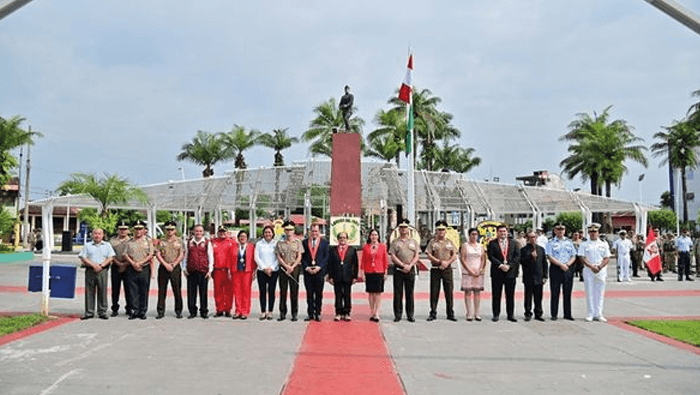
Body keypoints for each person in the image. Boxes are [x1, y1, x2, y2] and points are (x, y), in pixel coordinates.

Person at [78, 228, 115, 320]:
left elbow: (110, 257)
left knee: (102, 290)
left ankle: (102, 312)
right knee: (89, 291)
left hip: (102, 270)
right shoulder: (87, 245)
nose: (97, 235)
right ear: (92, 235)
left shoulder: (107, 245)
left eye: (99, 234)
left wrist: (101, 266)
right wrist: (94, 265)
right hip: (90, 270)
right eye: (95, 234)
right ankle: (89, 312)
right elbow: (83, 257)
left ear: (103, 235)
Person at [578, 222, 611, 322]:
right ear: (588, 233)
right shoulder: (584, 244)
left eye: (595, 232)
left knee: (600, 292)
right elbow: (582, 257)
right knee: (590, 292)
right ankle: (590, 313)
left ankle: (599, 313)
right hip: (589, 269)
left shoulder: (604, 244)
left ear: (598, 232)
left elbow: (607, 258)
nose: (593, 234)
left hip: (600, 270)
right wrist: (591, 266)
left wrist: (600, 267)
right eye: (591, 232)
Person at [425, 220, 458, 322]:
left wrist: (447, 262)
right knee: (434, 291)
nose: (441, 232)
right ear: (436, 231)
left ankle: (450, 312)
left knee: (449, 291)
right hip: (436, 269)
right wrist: (439, 262)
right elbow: (428, 254)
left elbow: (454, 255)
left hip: (447, 269)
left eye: (443, 230)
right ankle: (433, 312)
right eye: (439, 230)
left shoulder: (449, 242)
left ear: (445, 231)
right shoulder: (432, 242)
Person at [487, 224, 520, 322]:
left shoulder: (514, 243)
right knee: (496, 294)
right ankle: (496, 314)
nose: (502, 233)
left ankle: (510, 315)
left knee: (510, 295)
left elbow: (517, 256)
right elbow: (491, 256)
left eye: (504, 231)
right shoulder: (492, 243)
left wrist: (509, 266)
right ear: (497, 233)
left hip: (510, 272)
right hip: (497, 272)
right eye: (500, 231)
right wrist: (501, 265)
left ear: (507, 232)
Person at [390, 218, 420, 322]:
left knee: (409, 293)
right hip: (398, 269)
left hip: (410, 269)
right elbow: (393, 256)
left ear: (408, 229)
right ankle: (398, 314)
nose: (403, 230)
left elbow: (417, 255)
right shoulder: (395, 242)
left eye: (405, 228)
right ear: (398, 230)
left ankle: (410, 314)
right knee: (398, 293)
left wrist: (410, 265)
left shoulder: (414, 242)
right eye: (401, 228)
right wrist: (403, 265)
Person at [546, 222, 577, 321]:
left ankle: (567, 314)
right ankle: (554, 314)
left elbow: (573, 255)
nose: (560, 231)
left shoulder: (569, 242)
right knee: (555, 292)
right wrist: (561, 265)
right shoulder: (550, 242)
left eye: (562, 229)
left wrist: (567, 264)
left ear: (565, 231)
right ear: (555, 231)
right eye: (558, 229)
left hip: (568, 268)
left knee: (567, 292)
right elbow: (550, 256)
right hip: (556, 268)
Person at [125, 220, 155, 320]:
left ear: (144, 230)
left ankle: (142, 311)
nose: (138, 231)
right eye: (136, 228)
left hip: (144, 268)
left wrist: (140, 263)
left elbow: (150, 254)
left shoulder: (148, 241)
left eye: (140, 228)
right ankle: (134, 311)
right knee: (132, 291)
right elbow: (125, 254)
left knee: (143, 290)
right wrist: (133, 264)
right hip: (131, 267)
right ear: (133, 229)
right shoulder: (129, 241)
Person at [155, 221, 184, 319]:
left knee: (177, 290)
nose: (170, 231)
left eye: (172, 229)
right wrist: (165, 264)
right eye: (168, 229)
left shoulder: (179, 241)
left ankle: (179, 310)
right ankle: (160, 311)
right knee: (162, 290)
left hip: (175, 267)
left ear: (175, 230)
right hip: (164, 267)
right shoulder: (162, 241)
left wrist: (174, 264)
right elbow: (158, 254)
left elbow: (181, 254)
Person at [327, 231, 359, 321]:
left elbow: (355, 264)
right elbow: (330, 264)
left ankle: (347, 312)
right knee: (338, 295)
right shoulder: (333, 249)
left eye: (344, 238)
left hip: (348, 276)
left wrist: (355, 277)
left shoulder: (352, 249)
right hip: (336, 275)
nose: (342, 239)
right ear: (338, 239)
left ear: (347, 239)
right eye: (340, 238)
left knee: (347, 295)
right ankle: (338, 313)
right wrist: (330, 276)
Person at [184, 224, 213, 319]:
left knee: (203, 293)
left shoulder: (207, 243)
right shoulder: (189, 242)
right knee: (191, 293)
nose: (198, 233)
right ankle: (192, 311)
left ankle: (204, 311)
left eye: (200, 231)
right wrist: (184, 268)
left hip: (203, 271)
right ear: (193, 232)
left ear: (203, 232)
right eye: (197, 231)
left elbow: (211, 257)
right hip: (191, 271)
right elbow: (185, 256)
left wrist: (210, 270)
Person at [302, 223, 329, 321]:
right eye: (312, 231)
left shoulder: (324, 243)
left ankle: (317, 313)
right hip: (308, 272)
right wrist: (306, 267)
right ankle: (310, 313)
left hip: (319, 272)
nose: (314, 233)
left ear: (319, 232)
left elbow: (326, 257)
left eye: (316, 231)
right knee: (309, 293)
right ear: (310, 232)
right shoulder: (304, 242)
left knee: (318, 293)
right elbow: (302, 257)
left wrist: (320, 267)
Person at [360, 228, 389, 322]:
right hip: (369, 271)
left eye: (376, 235)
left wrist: (386, 271)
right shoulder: (366, 247)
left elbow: (385, 259)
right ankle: (372, 311)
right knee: (371, 293)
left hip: (379, 271)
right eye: (372, 235)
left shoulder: (382, 247)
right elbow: (363, 260)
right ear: (369, 236)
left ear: (378, 236)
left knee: (378, 293)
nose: (374, 237)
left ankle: (377, 312)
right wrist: (362, 272)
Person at [276, 220, 302, 321]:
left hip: (294, 268)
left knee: (294, 292)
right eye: (286, 230)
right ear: (284, 230)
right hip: (283, 268)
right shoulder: (280, 243)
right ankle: (282, 313)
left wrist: (292, 267)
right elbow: (278, 256)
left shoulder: (298, 242)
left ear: (293, 230)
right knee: (283, 291)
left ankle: (294, 313)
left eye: (290, 230)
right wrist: (286, 266)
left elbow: (299, 256)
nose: (288, 232)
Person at [520, 231, 548, 322]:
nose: (533, 239)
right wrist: (530, 257)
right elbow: (522, 262)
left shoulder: (541, 249)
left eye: (535, 237)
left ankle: (538, 313)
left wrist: (545, 276)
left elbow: (545, 263)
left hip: (539, 277)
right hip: (528, 276)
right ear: (527, 239)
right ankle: (528, 313)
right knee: (528, 296)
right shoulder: (524, 250)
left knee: (538, 297)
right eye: (531, 237)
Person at [460, 227, 486, 321]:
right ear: (469, 235)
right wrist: (469, 270)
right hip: (468, 271)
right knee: (468, 292)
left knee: (477, 292)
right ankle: (469, 313)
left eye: (476, 234)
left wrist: (480, 269)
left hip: (477, 271)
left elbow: (483, 258)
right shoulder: (465, 246)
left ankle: (477, 313)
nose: (474, 236)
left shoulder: (481, 246)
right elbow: (462, 258)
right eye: (472, 234)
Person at [255, 225, 279, 320]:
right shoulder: (259, 244)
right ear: (263, 234)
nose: (267, 234)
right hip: (261, 271)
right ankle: (263, 311)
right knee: (262, 291)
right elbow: (256, 257)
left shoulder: (276, 244)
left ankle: (270, 312)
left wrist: (271, 268)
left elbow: (278, 257)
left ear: (272, 233)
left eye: (269, 232)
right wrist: (264, 268)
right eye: (266, 232)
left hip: (274, 271)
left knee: (272, 291)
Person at [109, 220, 132, 317]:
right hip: (116, 265)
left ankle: (129, 308)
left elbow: (132, 254)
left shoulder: (131, 240)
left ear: (128, 230)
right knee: (115, 289)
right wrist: (118, 263)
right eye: (121, 229)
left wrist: (126, 264)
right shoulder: (112, 240)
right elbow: (110, 254)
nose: (123, 231)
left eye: (125, 229)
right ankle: (114, 308)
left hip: (128, 267)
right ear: (118, 230)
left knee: (129, 289)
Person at [231, 230, 255, 319]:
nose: (242, 238)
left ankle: (245, 311)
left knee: (246, 292)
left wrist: (254, 271)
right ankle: (238, 310)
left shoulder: (251, 247)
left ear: (247, 238)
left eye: (244, 236)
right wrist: (230, 271)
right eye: (241, 236)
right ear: (238, 238)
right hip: (236, 271)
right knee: (237, 292)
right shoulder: (233, 247)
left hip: (247, 272)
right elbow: (230, 259)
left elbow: (254, 260)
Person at [211, 226, 235, 316]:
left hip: (228, 270)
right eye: (220, 232)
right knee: (218, 291)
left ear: (227, 232)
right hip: (217, 270)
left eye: (224, 232)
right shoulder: (213, 242)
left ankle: (228, 309)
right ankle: (219, 309)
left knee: (229, 291)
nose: (222, 233)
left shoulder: (232, 242)